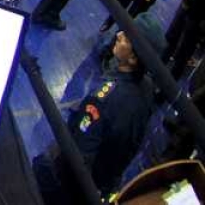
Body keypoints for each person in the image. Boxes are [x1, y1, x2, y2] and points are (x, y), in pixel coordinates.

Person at [32, 17, 165, 204]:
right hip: (105, 178)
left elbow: (79, 156)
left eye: (126, 37)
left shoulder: (104, 98)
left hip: (73, 184)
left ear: (134, 57)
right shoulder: (147, 87)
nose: (118, 35)